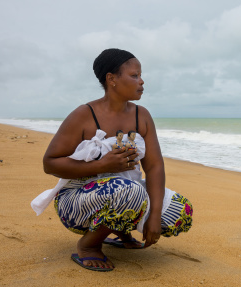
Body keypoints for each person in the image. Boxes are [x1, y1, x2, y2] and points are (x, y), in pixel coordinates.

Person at [32, 48, 193, 272]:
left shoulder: (142, 115)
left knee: (180, 211)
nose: (141, 81)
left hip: (124, 193)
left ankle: (119, 231)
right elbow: (49, 163)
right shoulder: (84, 114)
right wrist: (101, 165)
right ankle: (88, 246)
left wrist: (155, 214)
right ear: (112, 79)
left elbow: (154, 166)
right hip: (76, 203)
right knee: (130, 191)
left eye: (140, 75)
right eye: (134, 75)